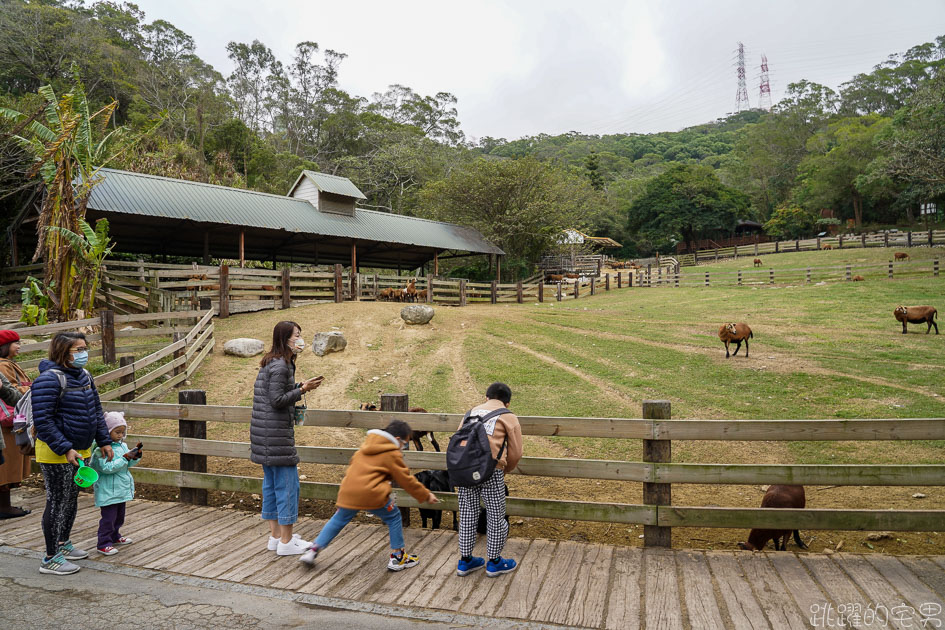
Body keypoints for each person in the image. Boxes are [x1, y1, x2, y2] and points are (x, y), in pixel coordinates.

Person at [300, 419, 439, 571]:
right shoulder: (391, 453)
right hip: (372, 494)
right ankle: (398, 557)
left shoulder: (366, 446)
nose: (403, 448)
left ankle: (313, 549)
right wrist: (426, 495)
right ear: (397, 440)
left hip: (349, 492)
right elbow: (406, 480)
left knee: (338, 519)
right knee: (393, 517)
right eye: (404, 445)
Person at [32, 332, 114, 575]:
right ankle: (50, 557)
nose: (83, 353)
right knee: (57, 500)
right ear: (62, 352)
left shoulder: (85, 376)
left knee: (71, 498)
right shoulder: (48, 380)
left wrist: (104, 440)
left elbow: (96, 410)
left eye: (84, 348)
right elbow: (43, 421)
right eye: (78, 349)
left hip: (81, 449)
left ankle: (63, 542)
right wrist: (65, 447)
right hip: (56, 451)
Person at [250, 321, 323, 556]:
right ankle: (287, 541)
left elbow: (276, 392)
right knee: (288, 487)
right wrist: (302, 391)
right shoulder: (281, 365)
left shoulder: (272, 362)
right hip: (276, 437)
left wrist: (300, 385)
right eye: (297, 336)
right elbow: (277, 400)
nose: (300, 340)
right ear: (286, 339)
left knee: (271, 486)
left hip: (264, 435)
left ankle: (276, 537)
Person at [455, 382, 523, 578]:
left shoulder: (470, 413)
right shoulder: (508, 417)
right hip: (492, 470)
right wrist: (505, 469)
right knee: (495, 514)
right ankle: (494, 562)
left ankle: (465, 560)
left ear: (486, 397)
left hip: (466, 469)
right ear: (507, 403)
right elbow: (516, 453)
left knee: (468, 512)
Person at [89, 411, 141, 555]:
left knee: (119, 516)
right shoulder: (100, 450)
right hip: (108, 491)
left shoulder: (122, 446)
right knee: (108, 518)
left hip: (121, 488)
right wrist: (125, 458)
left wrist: (134, 457)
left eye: (122, 432)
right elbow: (107, 468)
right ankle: (103, 543)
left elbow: (127, 465)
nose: (120, 435)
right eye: (117, 432)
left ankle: (115, 535)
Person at [0, 329, 32, 519]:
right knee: (6, 465)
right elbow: (13, 392)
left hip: (10, 422)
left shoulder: (9, 364)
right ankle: (4, 507)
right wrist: (31, 387)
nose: (19, 346)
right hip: (7, 424)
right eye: (15, 343)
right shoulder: (3, 366)